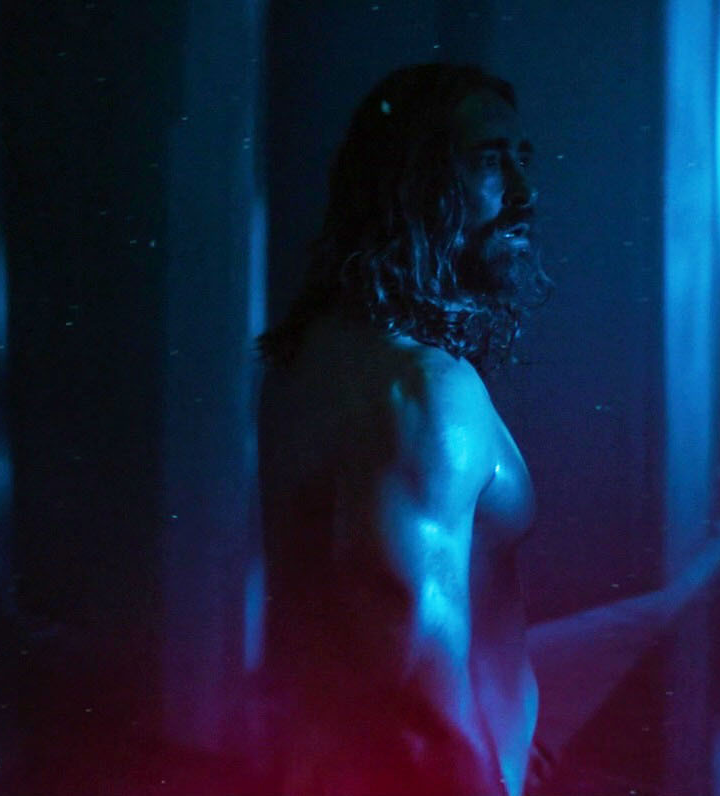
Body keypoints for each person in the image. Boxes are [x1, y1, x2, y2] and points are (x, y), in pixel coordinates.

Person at [254, 63, 552, 796]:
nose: (524, 192)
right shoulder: (427, 391)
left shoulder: (318, 354)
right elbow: (421, 713)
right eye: (490, 160)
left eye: (523, 158)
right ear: (416, 183)